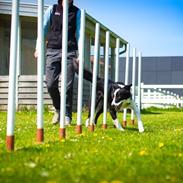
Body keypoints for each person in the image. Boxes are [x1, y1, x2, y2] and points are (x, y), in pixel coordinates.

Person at [34, 0, 81, 125]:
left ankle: (67, 115)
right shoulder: (52, 9)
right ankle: (58, 108)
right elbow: (43, 29)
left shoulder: (77, 12)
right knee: (50, 84)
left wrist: (80, 54)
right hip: (52, 50)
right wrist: (38, 48)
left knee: (68, 86)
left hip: (70, 51)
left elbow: (80, 34)